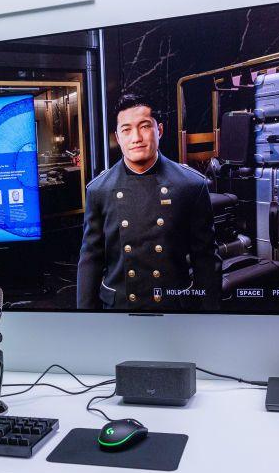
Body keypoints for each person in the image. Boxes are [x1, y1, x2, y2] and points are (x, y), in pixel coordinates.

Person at [76, 93, 219, 311]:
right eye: (126, 130)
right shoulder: (99, 189)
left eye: (144, 127)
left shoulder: (190, 185)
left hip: (175, 310)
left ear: (159, 130)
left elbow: (206, 259)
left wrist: (211, 318)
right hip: (119, 311)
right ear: (117, 136)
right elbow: (90, 260)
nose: (136, 138)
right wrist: (84, 320)